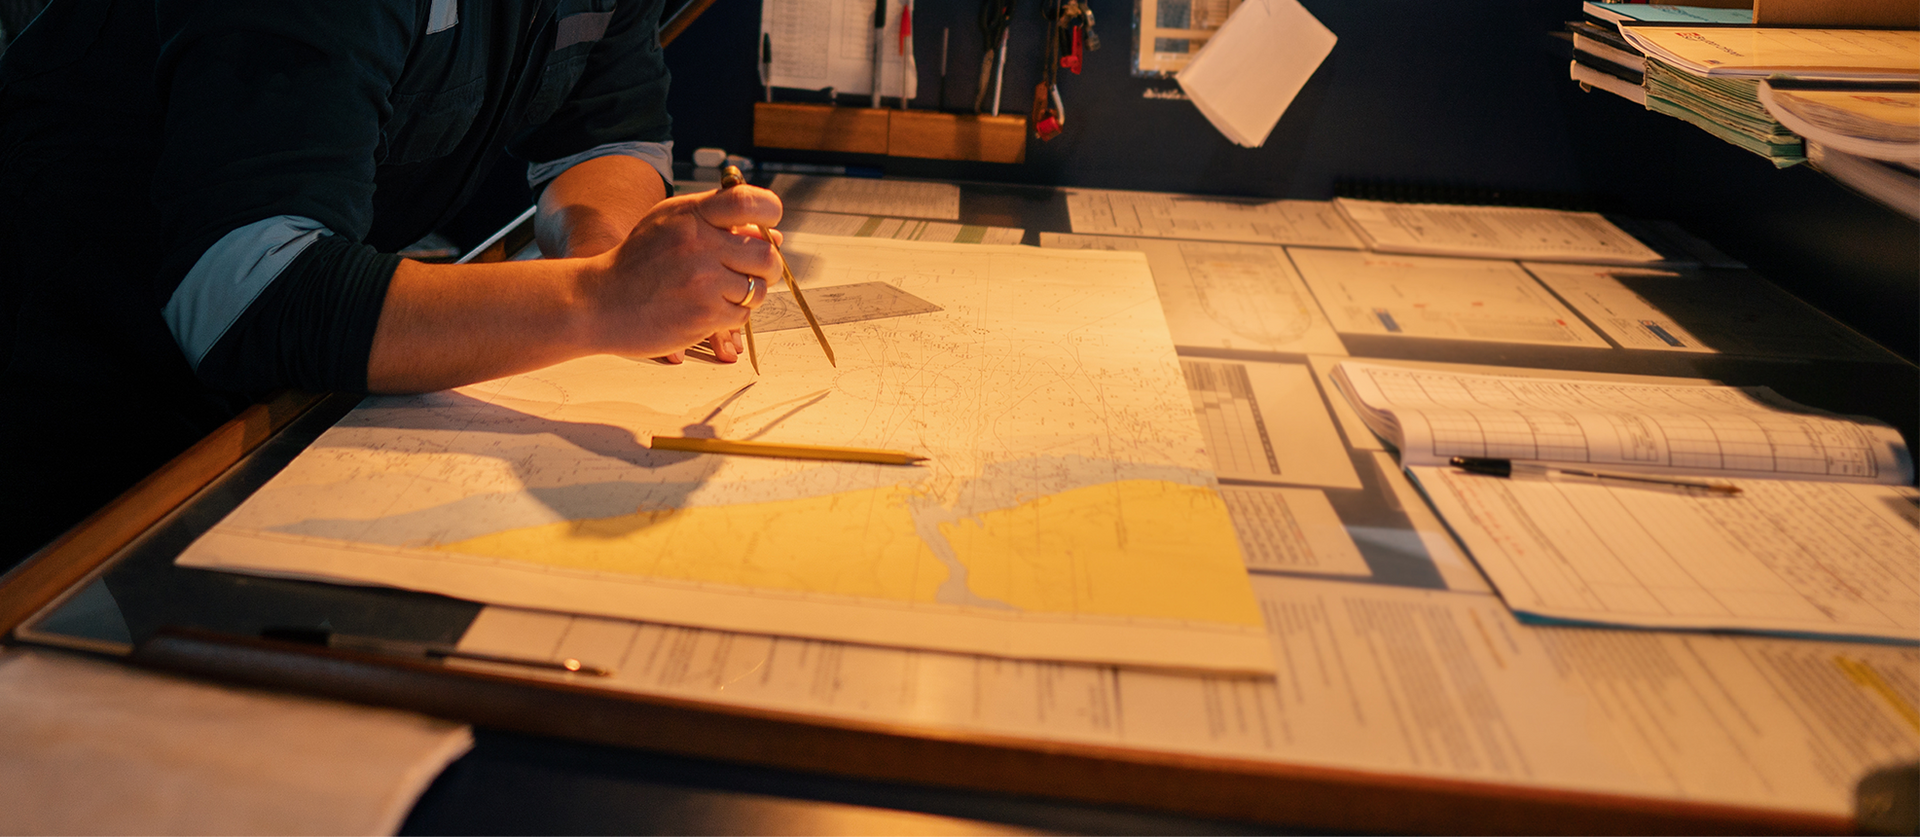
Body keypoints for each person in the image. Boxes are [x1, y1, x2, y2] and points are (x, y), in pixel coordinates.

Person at [0, 0, 782, 565]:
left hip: (266, 403)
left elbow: (603, 135)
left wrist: (619, 262)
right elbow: (245, 292)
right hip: (72, 393)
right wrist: (600, 300)